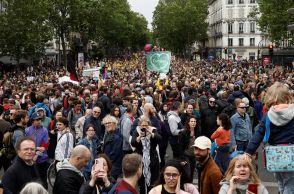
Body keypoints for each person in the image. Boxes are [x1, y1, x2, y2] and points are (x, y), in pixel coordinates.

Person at [244, 82, 294, 194]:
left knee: (281, 183)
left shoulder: (268, 115)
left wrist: (248, 152)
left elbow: (258, 134)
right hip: (291, 154)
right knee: (290, 184)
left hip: (274, 155)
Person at [131, 116, 162, 194]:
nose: (144, 127)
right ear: (140, 125)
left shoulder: (153, 130)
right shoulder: (137, 131)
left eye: (146, 125)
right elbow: (133, 143)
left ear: (149, 125)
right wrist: (139, 137)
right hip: (141, 159)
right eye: (142, 125)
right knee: (142, 180)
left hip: (152, 159)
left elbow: (159, 139)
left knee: (153, 179)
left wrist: (151, 133)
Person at [25, 112, 49, 189]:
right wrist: (37, 148)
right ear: (32, 121)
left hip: (41, 160)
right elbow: (26, 144)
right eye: (37, 119)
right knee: (31, 181)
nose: (39, 121)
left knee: (43, 180)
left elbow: (45, 146)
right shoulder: (27, 130)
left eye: (40, 119)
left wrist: (36, 154)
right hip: (30, 159)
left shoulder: (44, 130)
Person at [102, 115, 123, 179]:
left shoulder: (117, 136)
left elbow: (114, 154)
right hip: (108, 165)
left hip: (113, 167)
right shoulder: (107, 134)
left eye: (109, 123)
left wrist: (106, 163)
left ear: (114, 124)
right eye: (106, 123)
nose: (107, 125)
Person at [178, 116, 198, 182]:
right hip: (186, 155)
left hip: (194, 155)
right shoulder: (183, 133)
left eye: (194, 121)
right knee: (187, 173)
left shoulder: (197, 132)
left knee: (192, 172)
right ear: (188, 123)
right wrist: (181, 159)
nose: (193, 123)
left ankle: (190, 187)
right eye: (191, 121)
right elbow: (180, 147)